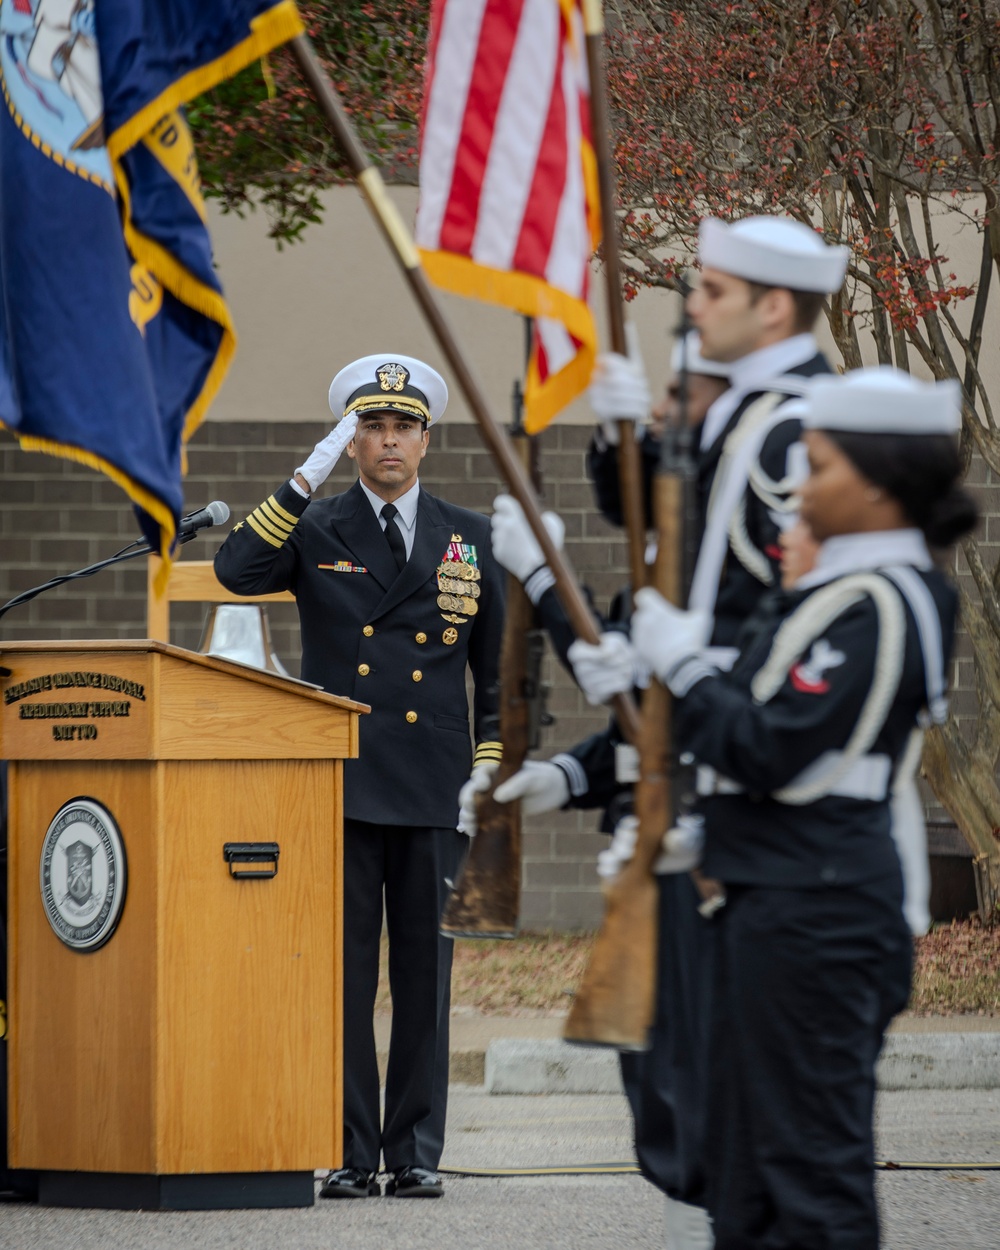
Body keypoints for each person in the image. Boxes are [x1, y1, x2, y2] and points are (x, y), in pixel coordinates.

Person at [484, 216, 852, 1249]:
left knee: (753, 1142)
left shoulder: (794, 431)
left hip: (751, 813)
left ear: (772, 306)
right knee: (690, 1117)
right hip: (688, 780)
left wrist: (636, 657)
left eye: (711, 291)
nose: (689, 305)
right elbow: (659, 518)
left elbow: (765, 632)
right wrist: (619, 438)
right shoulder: (755, 416)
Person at [621, 366, 976, 1249]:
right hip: (775, 898)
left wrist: (687, 666)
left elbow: (774, 746)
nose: (800, 486)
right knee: (747, 1179)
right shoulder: (836, 597)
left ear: (879, 479)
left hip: (821, 915)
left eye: (819, 466)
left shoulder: (887, 602)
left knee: (810, 1178)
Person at [214, 354, 504, 1200]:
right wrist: (301, 480)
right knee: (339, 975)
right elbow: (236, 572)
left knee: (425, 978)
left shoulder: (469, 536)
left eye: (402, 428)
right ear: (350, 442)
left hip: (432, 782)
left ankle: (413, 1151)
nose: (387, 441)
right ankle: (345, 1146)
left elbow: (498, 671)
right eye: (370, 427)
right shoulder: (314, 526)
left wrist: (489, 768)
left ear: (425, 440)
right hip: (337, 779)